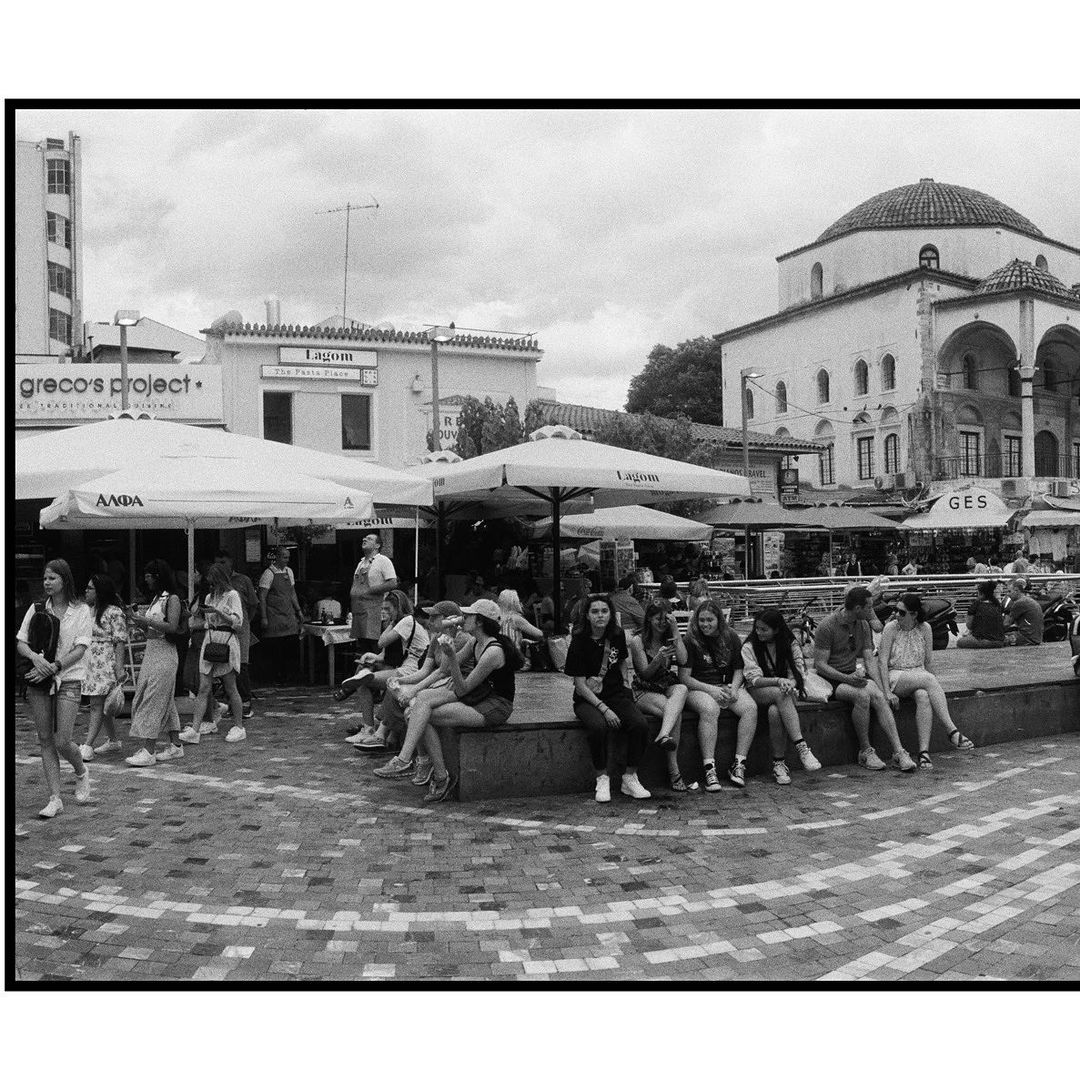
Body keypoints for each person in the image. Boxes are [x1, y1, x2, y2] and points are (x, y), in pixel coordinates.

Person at [374, 598, 520, 802]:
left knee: (421, 711)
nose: (463, 618)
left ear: (479, 621)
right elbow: (443, 669)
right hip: (479, 695)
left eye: (468, 616)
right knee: (420, 705)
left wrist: (451, 655)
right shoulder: (475, 641)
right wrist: (448, 639)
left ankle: (412, 763)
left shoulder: (493, 651)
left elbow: (462, 688)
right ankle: (431, 771)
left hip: (495, 705)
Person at [555, 593, 651, 803]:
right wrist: (604, 709)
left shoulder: (616, 634)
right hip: (588, 699)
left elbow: (622, 660)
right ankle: (602, 777)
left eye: (604, 611)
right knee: (598, 727)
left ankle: (630, 776)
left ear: (610, 614)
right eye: (595, 611)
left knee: (640, 725)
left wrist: (625, 683)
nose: (600, 615)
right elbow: (580, 685)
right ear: (587, 616)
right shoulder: (579, 641)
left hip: (615, 693)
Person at [16, 560, 94, 818]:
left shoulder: (81, 610)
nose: (47, 583)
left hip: (68, 677)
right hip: (40, 679)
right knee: (45, 738)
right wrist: (36, 659)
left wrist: (55, 666)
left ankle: (81, 770)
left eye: (52, 578)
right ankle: (55, 797)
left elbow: (80, 648)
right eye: (45, 578)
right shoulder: (37, 608)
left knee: (62, 740)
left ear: (64, 580)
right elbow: (21, 642)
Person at [364, 601, 473, 781]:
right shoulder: (436, 638)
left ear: (449, 619)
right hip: (440, 683)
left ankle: (411, 759)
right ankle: (420, 759)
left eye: (435, 617)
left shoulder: (460, 638)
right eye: (430, 617)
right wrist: (400, 680)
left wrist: (412, 689)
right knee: (402, 697)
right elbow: (425, 671)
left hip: (454, 684)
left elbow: (443, 672)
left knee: (413, 708)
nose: (430, 621)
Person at [813, 586, 916, 772]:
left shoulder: (862, 625)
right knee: (862, 696)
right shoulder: (827, 626)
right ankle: (865, 750)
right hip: (831, 679)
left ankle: (899, 751)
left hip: (852, 675)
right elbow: (820, 665)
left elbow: (869, 660)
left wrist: (885, 690)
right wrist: (847, 678)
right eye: (869, 607)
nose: (872, 611)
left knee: (878, 695)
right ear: (858, 608)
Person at [878, 593, 975, 769]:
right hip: (896, 675)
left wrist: (934, 690)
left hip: (918, 674)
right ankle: (951, 730)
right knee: (929, 680)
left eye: (901, 612)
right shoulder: (891, 628)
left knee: (923, 696)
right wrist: (886, 691)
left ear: (914, 614)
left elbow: (928, 661)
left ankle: (924, 752)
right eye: (896, 610)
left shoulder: (925, 628)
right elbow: (882, 662)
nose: (896, 615)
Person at [679, 599, 759, 789]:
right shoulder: (690, 640)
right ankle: (709, 768)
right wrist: (712, 690)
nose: (705, 624)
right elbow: (684, 677)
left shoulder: (730, 636)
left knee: (750, 708)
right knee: (710, 709)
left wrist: (734, 688)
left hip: (726, 685)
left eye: (710, 620)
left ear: (719, 620)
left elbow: (739, 668)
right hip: (699, 687)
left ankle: (739, 763)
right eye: (702, 620)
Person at [741, 609, 822, 785]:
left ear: (776, 629)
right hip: (759, 690)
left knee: (774, 712)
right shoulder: (749, 646)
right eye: (757, 628)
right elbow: (753, 679)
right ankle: (802, 747)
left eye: (764, 629)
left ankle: (779, 764)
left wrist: (790, 683)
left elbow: (799, 671)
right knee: (779, 693)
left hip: (786, 691)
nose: (759, 632)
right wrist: (778, 681)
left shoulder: (790, 643)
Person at [345, 591, 429, 748]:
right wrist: (372, 657)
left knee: (363, 682)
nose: (384, 612)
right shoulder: (404, 623)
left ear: (398, 608)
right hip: (407, 666)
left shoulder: (406, 621)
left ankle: (368, 729)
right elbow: (386, 654)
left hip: (412, 670)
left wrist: (391, 622)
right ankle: (369, 725)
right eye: (382, 608)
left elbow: (381, 642)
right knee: (364, 669)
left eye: (388, 609)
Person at [629, 600, 695, 792]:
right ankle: (674, 773)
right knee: (674, 713)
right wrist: (658, 658)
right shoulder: (638, 641)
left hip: (664, 685)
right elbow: (645, 674)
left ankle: (663, 735)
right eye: (658, 619)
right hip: (644, 689)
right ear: (649, 619)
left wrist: (675, 631)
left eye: (666, 619)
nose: (662, 623)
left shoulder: (669, 638)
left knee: (681, 689)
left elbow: (683, 659)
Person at [124, 560, 185, 767]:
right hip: (152, 650)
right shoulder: (157, 599)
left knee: (153, 698)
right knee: (163, 698)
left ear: (158, 576)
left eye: (149, 576)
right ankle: (175, 745)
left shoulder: (172, 599)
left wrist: (146, 621)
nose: (146, 580)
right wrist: (136, 620)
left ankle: (149, 749)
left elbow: (172, 626)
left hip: (165, 652)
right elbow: (150, 629)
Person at [179, 563, 246, 745]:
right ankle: (195, 729)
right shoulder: (209, 597)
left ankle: (239, 726)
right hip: (210, 639)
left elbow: (237, 622)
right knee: (203, 687)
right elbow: (208, 622)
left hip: (226, 640)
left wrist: (218, 612)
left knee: (230, 686)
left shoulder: (232, 595)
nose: (212, 586)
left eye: (215, 582)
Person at [78, 574, 128, 761]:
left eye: (90, 588)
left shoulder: (114, 612)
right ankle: (113, 740)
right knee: (101, 704)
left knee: (96, 704)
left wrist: (119, 668)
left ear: (99, 591)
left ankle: (88, 745)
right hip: (90, 662)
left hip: (105, 662)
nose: (86, 591)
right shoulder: (88, 610)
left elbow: (120, 640)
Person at [214, 550, 258, 720]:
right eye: (217, 563)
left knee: (241, 664)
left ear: (231, 562)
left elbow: (253, 604)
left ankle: (245, 702)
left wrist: (246, 621)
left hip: (240, 628)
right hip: (222, 631)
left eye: (223, 562)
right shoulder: (216, 583)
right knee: (225, 664)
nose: (220, 566)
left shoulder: (243, 580)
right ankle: (231, 703)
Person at [258, 547, 304, 684]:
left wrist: (298, 610)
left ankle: (290, 677)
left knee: (290, 647)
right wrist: (264, 617)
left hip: (288, 615)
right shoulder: (268, 573)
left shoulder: (289, 571)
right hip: (274, 616)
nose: (287, 560)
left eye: (288, 557)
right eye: (284, 557)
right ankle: (276, 677)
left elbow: (292, 593)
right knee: (276, 648)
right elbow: (262, 596)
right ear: (277, 557)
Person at [349, 533, 398, 654]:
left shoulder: (383, 560)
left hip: (375, 611)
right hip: (359, 611)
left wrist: (370, 591)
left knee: (375, 648)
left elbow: (393, 583)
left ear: (377, 545)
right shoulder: (361, 563)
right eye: (364, 538)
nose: (364, 539)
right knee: (363, 648)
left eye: (369, 539)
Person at [496, 589, 545, 667]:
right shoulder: (515, 618)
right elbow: (539, 634)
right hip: (513, 658)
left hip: (498, 658)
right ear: (515, 603)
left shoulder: (495, 618)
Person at [957, 579, 1006, 649]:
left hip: (982, 641)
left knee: (960, 641)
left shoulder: (975, 605)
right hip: (999, 642)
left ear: (981, 594)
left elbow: (969, 625)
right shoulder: (998, 605)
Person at [1003, 576, 1044, 646]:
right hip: (1036, 637)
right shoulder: (1028, 600)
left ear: (1016, 590)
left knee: (998, 639)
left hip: (1027, 638)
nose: (1007, 594)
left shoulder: (1019, 603)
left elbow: (1006, 624)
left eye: (1009, 591)